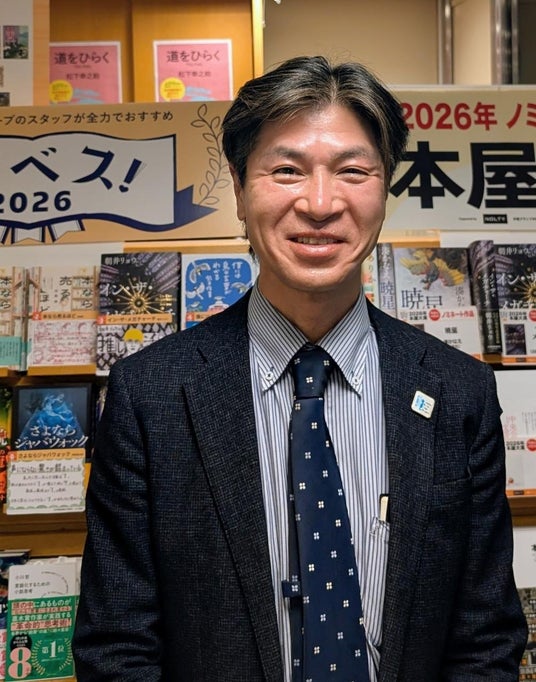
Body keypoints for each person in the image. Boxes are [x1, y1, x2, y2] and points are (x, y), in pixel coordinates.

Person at [72, 56, 527, 681]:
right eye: (286, 170)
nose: (319, 203)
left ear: (385, 189)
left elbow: (486, 639)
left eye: (352, 171)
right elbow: (116, 647)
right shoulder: (150, 394)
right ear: (239, 189)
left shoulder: (457, 390)